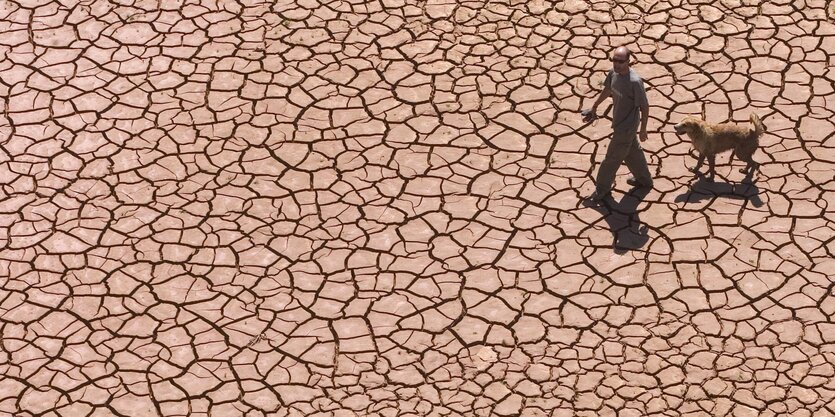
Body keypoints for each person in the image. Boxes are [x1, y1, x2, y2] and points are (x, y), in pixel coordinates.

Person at [581, 46, 653, 205]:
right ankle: (645, 180)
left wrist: (643, 129)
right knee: (633, 151)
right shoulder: (613, 73)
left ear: (628, 61)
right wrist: (594, 106)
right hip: (620, 123)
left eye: (620, 61)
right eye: (614, 60)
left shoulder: (635, 82)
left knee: (611, 159)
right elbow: (608, 89)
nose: (616, 64)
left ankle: (601, 189)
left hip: (626, 127)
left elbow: (645, 106)